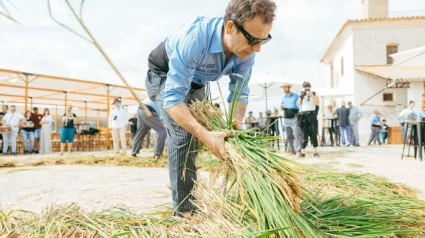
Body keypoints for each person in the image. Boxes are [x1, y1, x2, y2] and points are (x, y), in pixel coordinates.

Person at [144, 0, 275, 217]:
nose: (258, 49)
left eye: (264, 40)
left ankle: (180, 179)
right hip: (164, 75)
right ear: (231, 27)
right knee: (183, 133)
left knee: (196, 137)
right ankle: (184, 208)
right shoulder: (195, 39)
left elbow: (239, 93)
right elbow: (174, 99)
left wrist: (235, 125)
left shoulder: (246, 52)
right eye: (253, 40)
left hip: (196, 83)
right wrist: (205, 134)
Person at [297, 81, 320, 158]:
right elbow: (298, 104)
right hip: (303, 114)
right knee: (304, 133)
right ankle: (302, 152)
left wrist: (312, 95)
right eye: (305, 87)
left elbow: (317, 103)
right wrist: (301, 96)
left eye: (308, 87)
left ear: (310, 87)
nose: (306, 88)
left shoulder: (315, 93)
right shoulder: (301, 94)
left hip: (312, 113)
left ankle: (315, 152)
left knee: (313, 133)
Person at [280, 82, 301, 155]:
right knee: (289, 135)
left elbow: (299, 105)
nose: (284, 89)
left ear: (289, 88)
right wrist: (281, 107)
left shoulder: (296, 96)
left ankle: (298, 150)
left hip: (294, 117)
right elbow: (282, 106)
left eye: (285, 88)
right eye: (283, 88)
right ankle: (292, 150)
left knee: (296, 135)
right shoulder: (283, 97)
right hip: (286, 118)